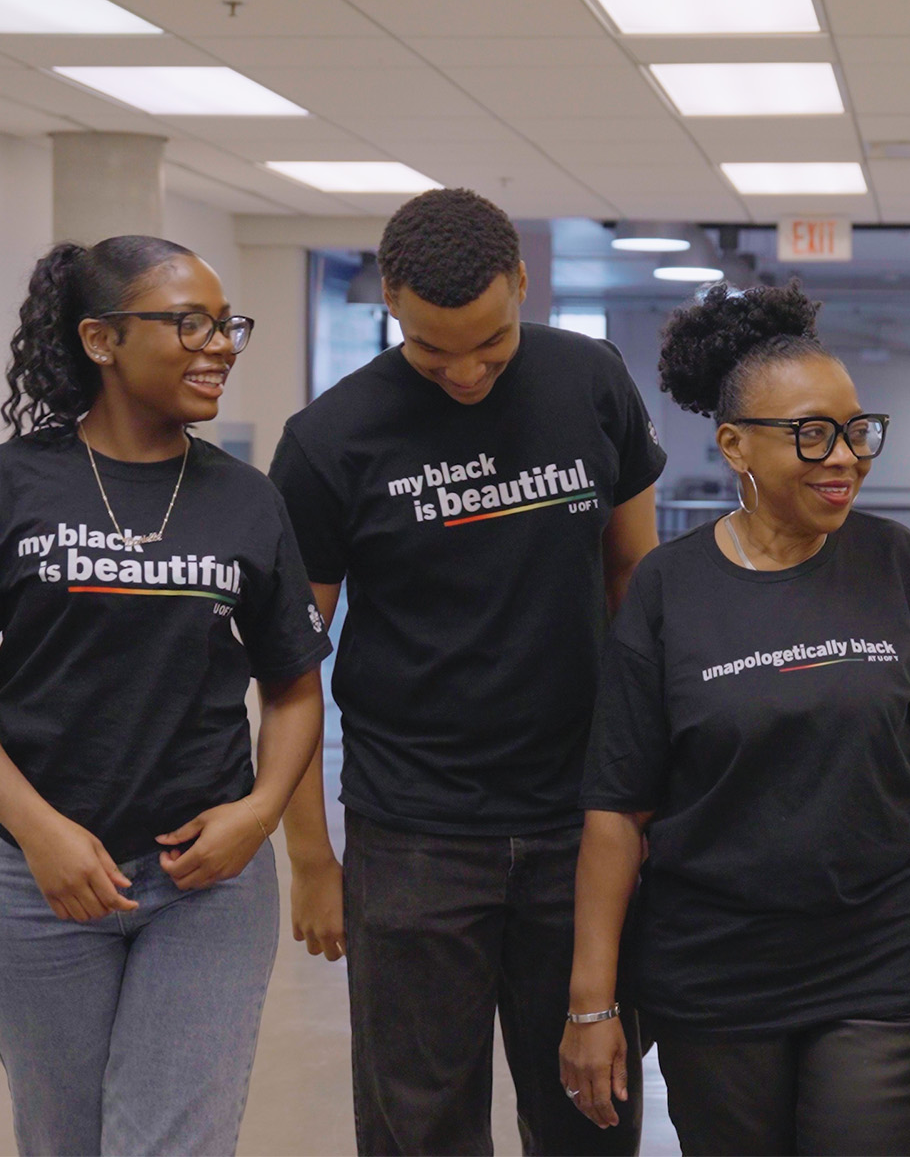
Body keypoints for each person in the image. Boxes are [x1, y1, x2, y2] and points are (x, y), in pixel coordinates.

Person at [0, 235, 330, 1156]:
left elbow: (292, 687)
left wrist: (262, 812)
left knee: (168, 1143)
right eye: (188, 323)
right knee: (64, 1140)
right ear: (101, 339)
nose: (220, 345)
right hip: (38, 882)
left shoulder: (245, 498)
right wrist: (38, 831)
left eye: (226, 324)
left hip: (206, 877)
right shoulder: (5, 486)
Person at [561, 282, 910, 1157]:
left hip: (888, 957)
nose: (843, 455)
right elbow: (617, 807)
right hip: (717, 971)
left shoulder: (898, 562)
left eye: (857, 431)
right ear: (734, 445)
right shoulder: (668, 588)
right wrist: (594, 1001)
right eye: (811, 432)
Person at [267, 189, 665, 1155]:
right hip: (413, 835)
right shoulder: (330, 440)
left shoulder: (590, 381)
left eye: (489, 340)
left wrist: (652, 796)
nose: (465, 370)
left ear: (524, 285)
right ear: (390, 303)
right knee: (418, 1124)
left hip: (582, 818)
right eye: (431, 346)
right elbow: (289, 664)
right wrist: (313, 857)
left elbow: (638, 588)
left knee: (591, 1114)